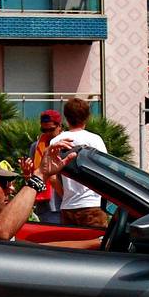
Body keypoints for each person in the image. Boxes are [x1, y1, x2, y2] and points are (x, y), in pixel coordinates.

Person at [0, 147, 101, 249]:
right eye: (4, 183)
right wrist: (39, 175)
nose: (10, 188)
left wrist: (97, 244)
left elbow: (39, 249)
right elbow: (1, 234)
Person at [47, 97, 108, 229]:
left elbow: (52, 179)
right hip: (92, 205)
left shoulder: (56, 141)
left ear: (66, 117)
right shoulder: (95, 140)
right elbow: (105, 173)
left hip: (68, 207)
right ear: (87, 117)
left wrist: (66, 196)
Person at [29, 109, 65, 224]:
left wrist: (66, 199)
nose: (47, 133)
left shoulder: (67, 144)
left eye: (51, 129)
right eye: (44, 130)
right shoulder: (36, 147)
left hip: (68, 205)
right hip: (46, 207)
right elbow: (33, 177)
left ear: (60, 126)